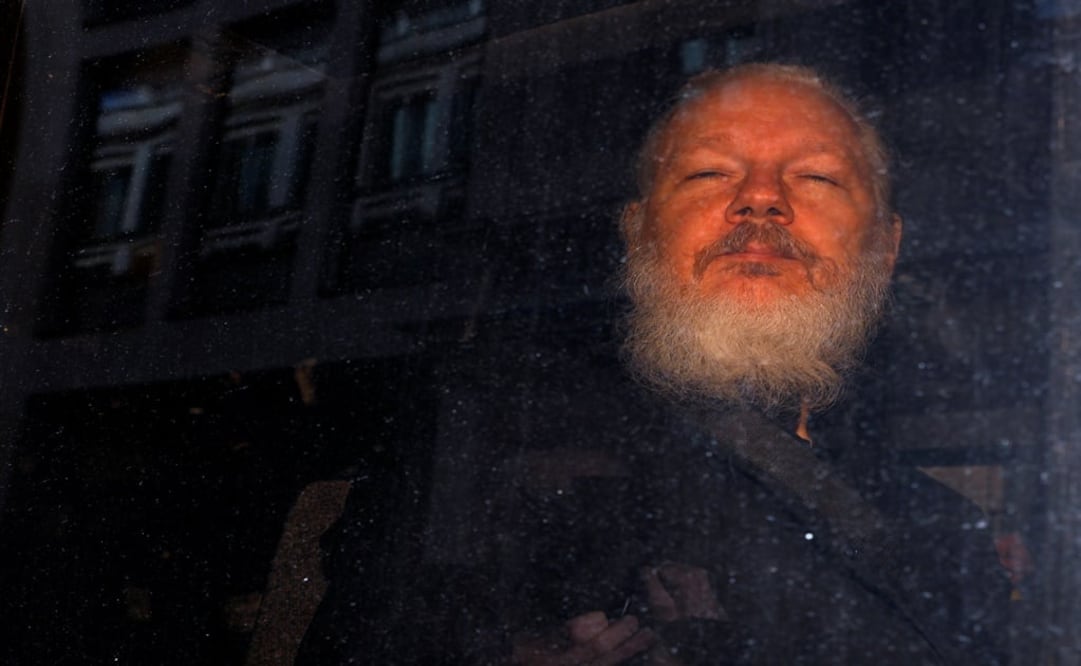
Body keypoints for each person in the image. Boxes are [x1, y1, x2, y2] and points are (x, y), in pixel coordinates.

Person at [298, 63, 1010, 665]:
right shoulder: (483, 450)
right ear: (637, 234)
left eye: (818, 178)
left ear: (883, 251)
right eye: (707, 172)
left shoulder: (943, 535)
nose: (760, 198)